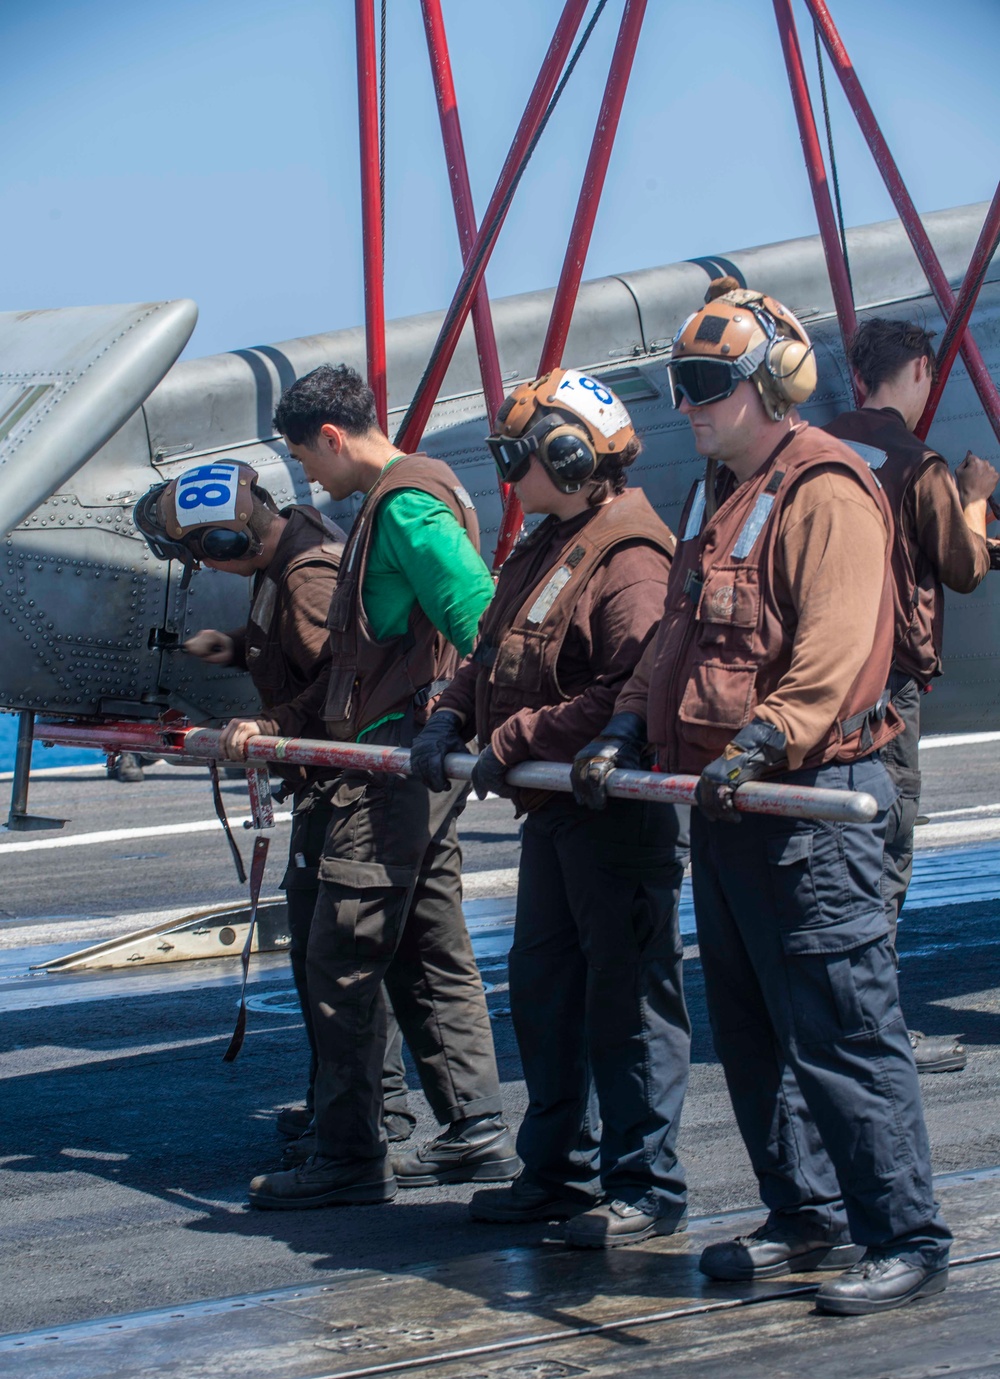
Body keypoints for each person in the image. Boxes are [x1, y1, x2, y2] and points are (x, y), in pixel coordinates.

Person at [573, 279, 952, 1314]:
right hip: (734, 808)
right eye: (679, 388)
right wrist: (621, 725)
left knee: (842, 1027)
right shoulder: (714, 496)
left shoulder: (827, 489)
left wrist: (764, 740)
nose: (686, 405)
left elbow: (832, 650)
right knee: (749, 1030)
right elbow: (675, 641)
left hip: (809, 800)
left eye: (704, 385)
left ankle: (905, 1234)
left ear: (768, 387)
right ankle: (804, 1217)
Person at [410, 369, 690, 1246]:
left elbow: (626, 695)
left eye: (514, 455)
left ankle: (644, 1187)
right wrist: (452, 712)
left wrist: (518, 735)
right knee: (545, 991)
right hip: (558, 815)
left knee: (629, 1003)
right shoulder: (548, 542)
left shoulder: (632, 561)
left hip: (613, 815)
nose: (505, 470)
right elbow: (490, 647)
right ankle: (558, 1173)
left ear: (567, 459)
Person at [245, 364, 517, 1209]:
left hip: (393, 765)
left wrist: (462, 722)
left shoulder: (403, 506)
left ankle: (349, 1154)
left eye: (305, 459)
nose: (308, 480)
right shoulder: (410, 497)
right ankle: (473, 1132)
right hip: (409, 765)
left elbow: (479, 617)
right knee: (430, 950)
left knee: (343, 958)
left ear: (332, 436)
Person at [133, 460, 417, 1153]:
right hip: (328, 781)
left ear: (224, 547)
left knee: (336, 963)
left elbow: (337, 686)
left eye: (202, 554)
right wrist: (213, 652)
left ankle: (376, 1118)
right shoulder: (285, 557)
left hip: (346, 785)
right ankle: (343, 1104)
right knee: (321, 957)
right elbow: (284, 652)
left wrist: (267, 726)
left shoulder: (304, 574)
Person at [825, 318, 998, 1073]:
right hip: (887, 688)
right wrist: (976, 497)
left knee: (832, 851)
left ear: (858, 376)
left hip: (818, 682)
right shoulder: (915, 463)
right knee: (885, 847)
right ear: (923, 371)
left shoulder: (817, 449)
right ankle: (876, 1028)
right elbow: (963, 569)